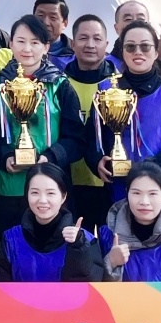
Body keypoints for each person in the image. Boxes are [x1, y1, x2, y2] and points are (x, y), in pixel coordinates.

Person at [0, 16, 87, 256]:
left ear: (46, 47)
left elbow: (77, 139)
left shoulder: (60, 86)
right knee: (8, 256)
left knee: (54, 258)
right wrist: (4, 157)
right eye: (21, 41)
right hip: (7, 189)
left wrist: (50, 158)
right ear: (11, 45)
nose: (27, 48)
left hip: (51, 192)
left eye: (35, 42)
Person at [94, 22, 161, 196]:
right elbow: (93, 136)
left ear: (156, 52)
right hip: (116, 186)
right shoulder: (105, 90)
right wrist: (97, 160)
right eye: (130, 47)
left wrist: (152, 168)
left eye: (145, 46)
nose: (138, 52)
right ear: (122, 52)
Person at [0, 163, 106, 282]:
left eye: (50, 193)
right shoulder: (11, 239)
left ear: (63, 196)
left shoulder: (85, 240)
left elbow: (92, 288)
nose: (42, 200)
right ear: (27, 195)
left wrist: (79, 248)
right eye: (35, 192)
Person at [62, 14, 118, 225]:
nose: (90, 45)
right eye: (83, 38)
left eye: (97, 38)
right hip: (69, 183)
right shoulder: (58, 84)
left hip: (110, 181)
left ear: (107, 43)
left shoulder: (121, 86)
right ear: (73, 43)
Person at [33, 0, 74, 64]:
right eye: (40, 16)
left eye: (53, 17)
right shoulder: (16, 48)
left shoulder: (77, 55)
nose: (46, 22)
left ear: (65, 23)